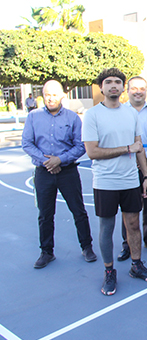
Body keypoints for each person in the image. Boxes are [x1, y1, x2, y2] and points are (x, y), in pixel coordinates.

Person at [82, 68, 147, 296]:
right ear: (101, 87)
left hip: (130, 181)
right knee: (107, 228)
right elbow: (92, 152)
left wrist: (145, 176)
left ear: (122, 87)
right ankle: (109, 271)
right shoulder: (93, 115)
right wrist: (126, 149)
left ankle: (136, 265)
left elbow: (139, 148)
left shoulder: (131, 114)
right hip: (105, 182)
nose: (113, 85)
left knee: (134, 224)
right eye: (109, 82)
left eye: (117, 82)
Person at [22, 80, 96, 269]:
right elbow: (27, 143)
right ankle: (47, 252)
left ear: (62, 95)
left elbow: (80, 146)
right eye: (48, 94)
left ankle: (87, 247)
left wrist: (60, 160)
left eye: (55, 94)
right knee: (45, 214)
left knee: (78, 211)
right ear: (43, 95)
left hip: (67, 172)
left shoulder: (72, 118)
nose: (51, 98)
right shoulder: (33, 117)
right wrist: (48, 162)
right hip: (44, 173)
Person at [117, 76, 147, 262]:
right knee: (127, 205)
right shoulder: (119, 112)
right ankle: (126, 243)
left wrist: (145, 156)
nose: (138, 91)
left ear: (146, 91)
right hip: (126, 162)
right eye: (134, 88)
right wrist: (132, 155)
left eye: (142, 88)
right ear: (127, 90)